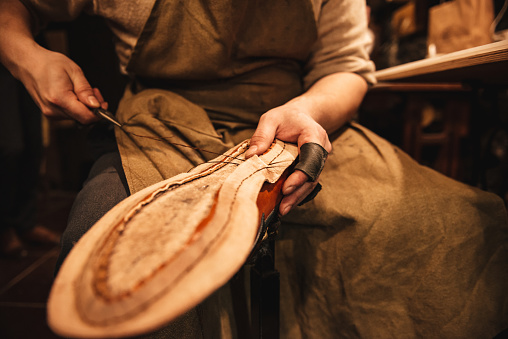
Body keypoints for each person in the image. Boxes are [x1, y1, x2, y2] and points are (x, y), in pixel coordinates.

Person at [1, 0, 507, 338]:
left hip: (298, 117)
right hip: (164, 119)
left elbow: (346, 69)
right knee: (105, 253)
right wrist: (28, 56)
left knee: (464, 226)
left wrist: (311, 111)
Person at [0, 63, 60, 258]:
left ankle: (26, 222)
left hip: (32, 49)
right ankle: (4, 228)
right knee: (10, 146)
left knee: (34, 143)